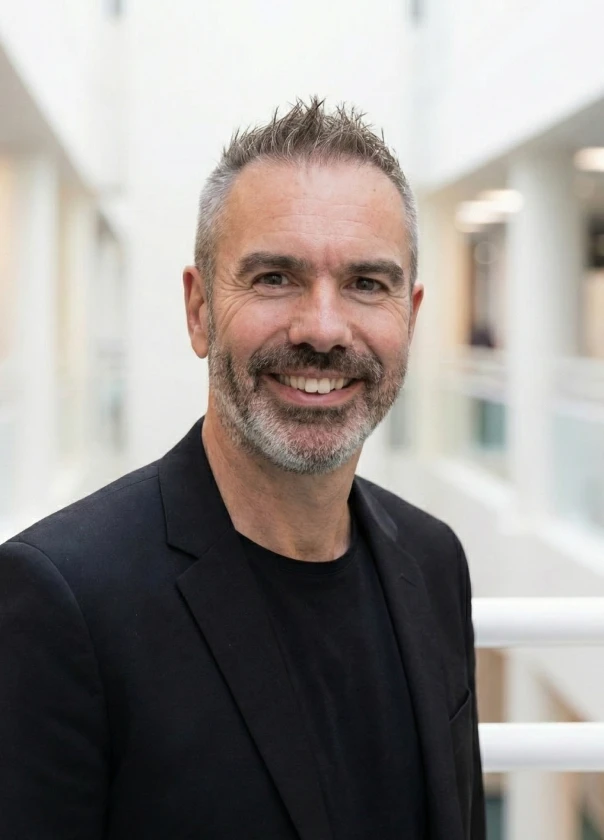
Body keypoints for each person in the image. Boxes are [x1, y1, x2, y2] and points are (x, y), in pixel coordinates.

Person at [0, 97, 485, 840]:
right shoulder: (62, 598)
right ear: (198, 310)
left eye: (366, 283)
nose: (323, 329)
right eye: (274, 278)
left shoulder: (434, 559)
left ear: (410, 316)